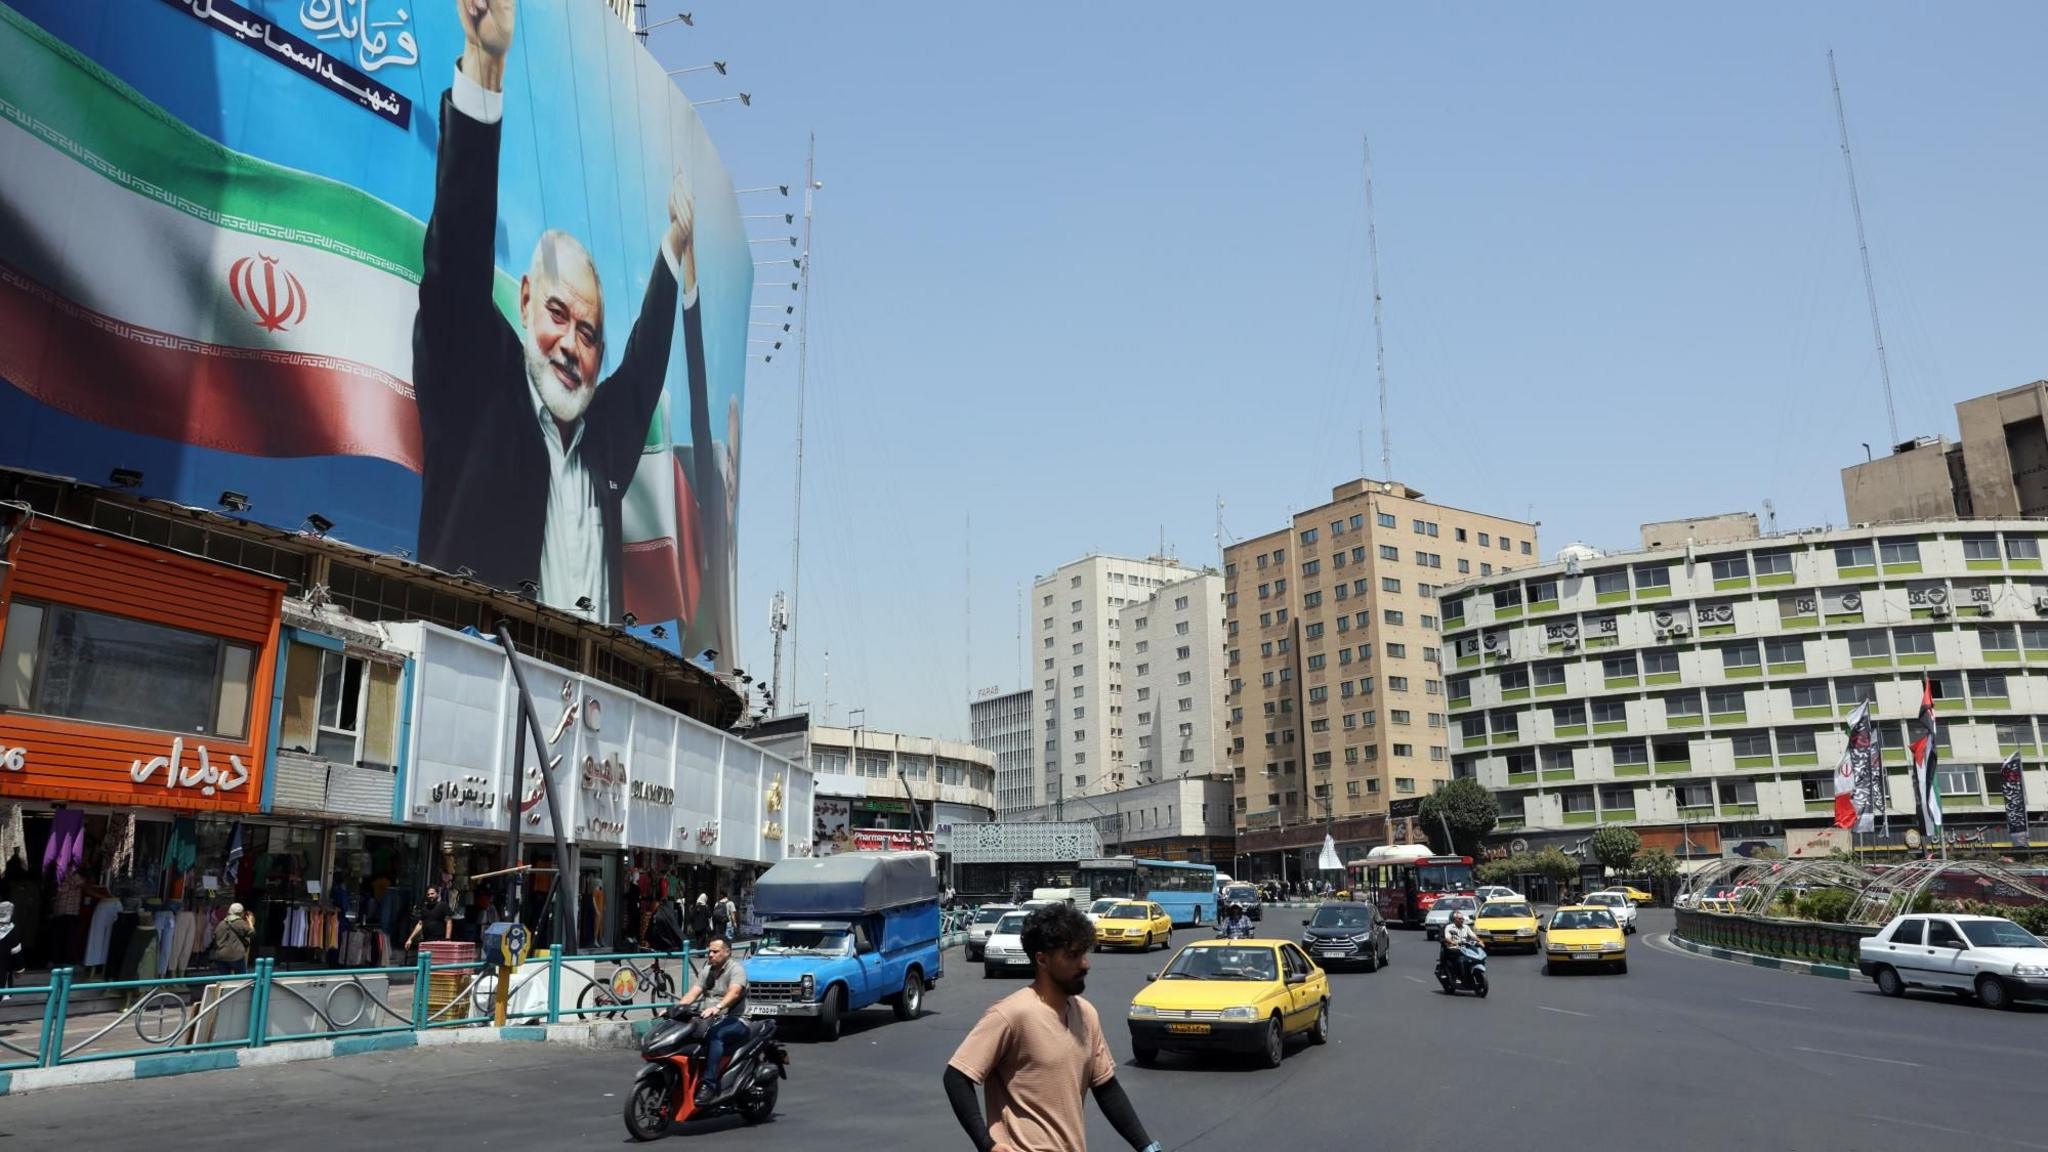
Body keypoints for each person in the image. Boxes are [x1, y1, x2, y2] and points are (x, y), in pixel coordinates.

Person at [414, 0, 711, 621]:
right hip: (479, 675)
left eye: (589, 332)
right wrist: (486, 69)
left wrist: (674, 247)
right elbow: (458, 258)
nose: (572, 346)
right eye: (558, 314)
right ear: (524, 301)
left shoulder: (605, 439)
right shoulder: (480, 383)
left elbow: (648, 356)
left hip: (589, 693)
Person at [945, 902, 1161, 1152]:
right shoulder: (1011, 1014)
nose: (1085, 965)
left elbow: (1106, 1087)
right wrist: (988, 1145)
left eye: (1084, 953)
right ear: (1042, 960)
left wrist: (1147, 1147)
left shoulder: (1086, 1013)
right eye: (1072, 955)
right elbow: (956, 1076)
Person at [677, 936, 750, 1106]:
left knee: (716, 1036)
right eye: (709, 951)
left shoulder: (736, 970)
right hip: (709, 1019)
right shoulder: (707, 970)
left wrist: (717, 1007)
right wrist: (676, 1008)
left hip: (736, 1020)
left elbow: (735, 993)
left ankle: (709, 1085)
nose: (710, 955)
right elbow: (693, 992)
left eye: (715, 951)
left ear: (727, 952)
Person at [211, 904, 255, 976]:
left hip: (221, 956)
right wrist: (250, 921)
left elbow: (215, 937)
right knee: (240, 979)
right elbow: (252, 933)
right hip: (236, 956)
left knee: (224, 980)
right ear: (241, 913)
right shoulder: (240, 923)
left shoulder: (221, 923)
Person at [407, 886, 453, 953]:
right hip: (427, 940)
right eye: (428, 894)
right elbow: (420, 924)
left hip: (440, 941)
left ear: (437, 894)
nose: (430, 896)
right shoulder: (424, 907)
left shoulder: (443, 905)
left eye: (432, 893)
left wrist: (448, 939)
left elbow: (449, 922)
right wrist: (410, 939)